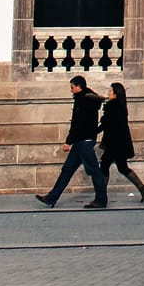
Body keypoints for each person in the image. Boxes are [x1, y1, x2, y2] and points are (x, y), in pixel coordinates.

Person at [35, 75, 107, 208]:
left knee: (93, 170)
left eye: (72, 87)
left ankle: (101, 199)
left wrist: (68, 142)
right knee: (67, 170)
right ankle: (52, 197)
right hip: (82, 141)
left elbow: (77, 124)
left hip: (83, 141)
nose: (71, 90)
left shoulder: (83, 101)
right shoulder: (88, 99)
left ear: (79, 87)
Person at [99, 82, 144, 202]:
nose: (108, 93)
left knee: (104, 165)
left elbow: (107, 124)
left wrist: (94, 130)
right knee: (122, 167)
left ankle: (101, 196)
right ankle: (142, 188)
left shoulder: (112, 106)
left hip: (114, 143)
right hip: (120, 142)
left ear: (116, 94)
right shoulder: (120, 106)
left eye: (110, 91)